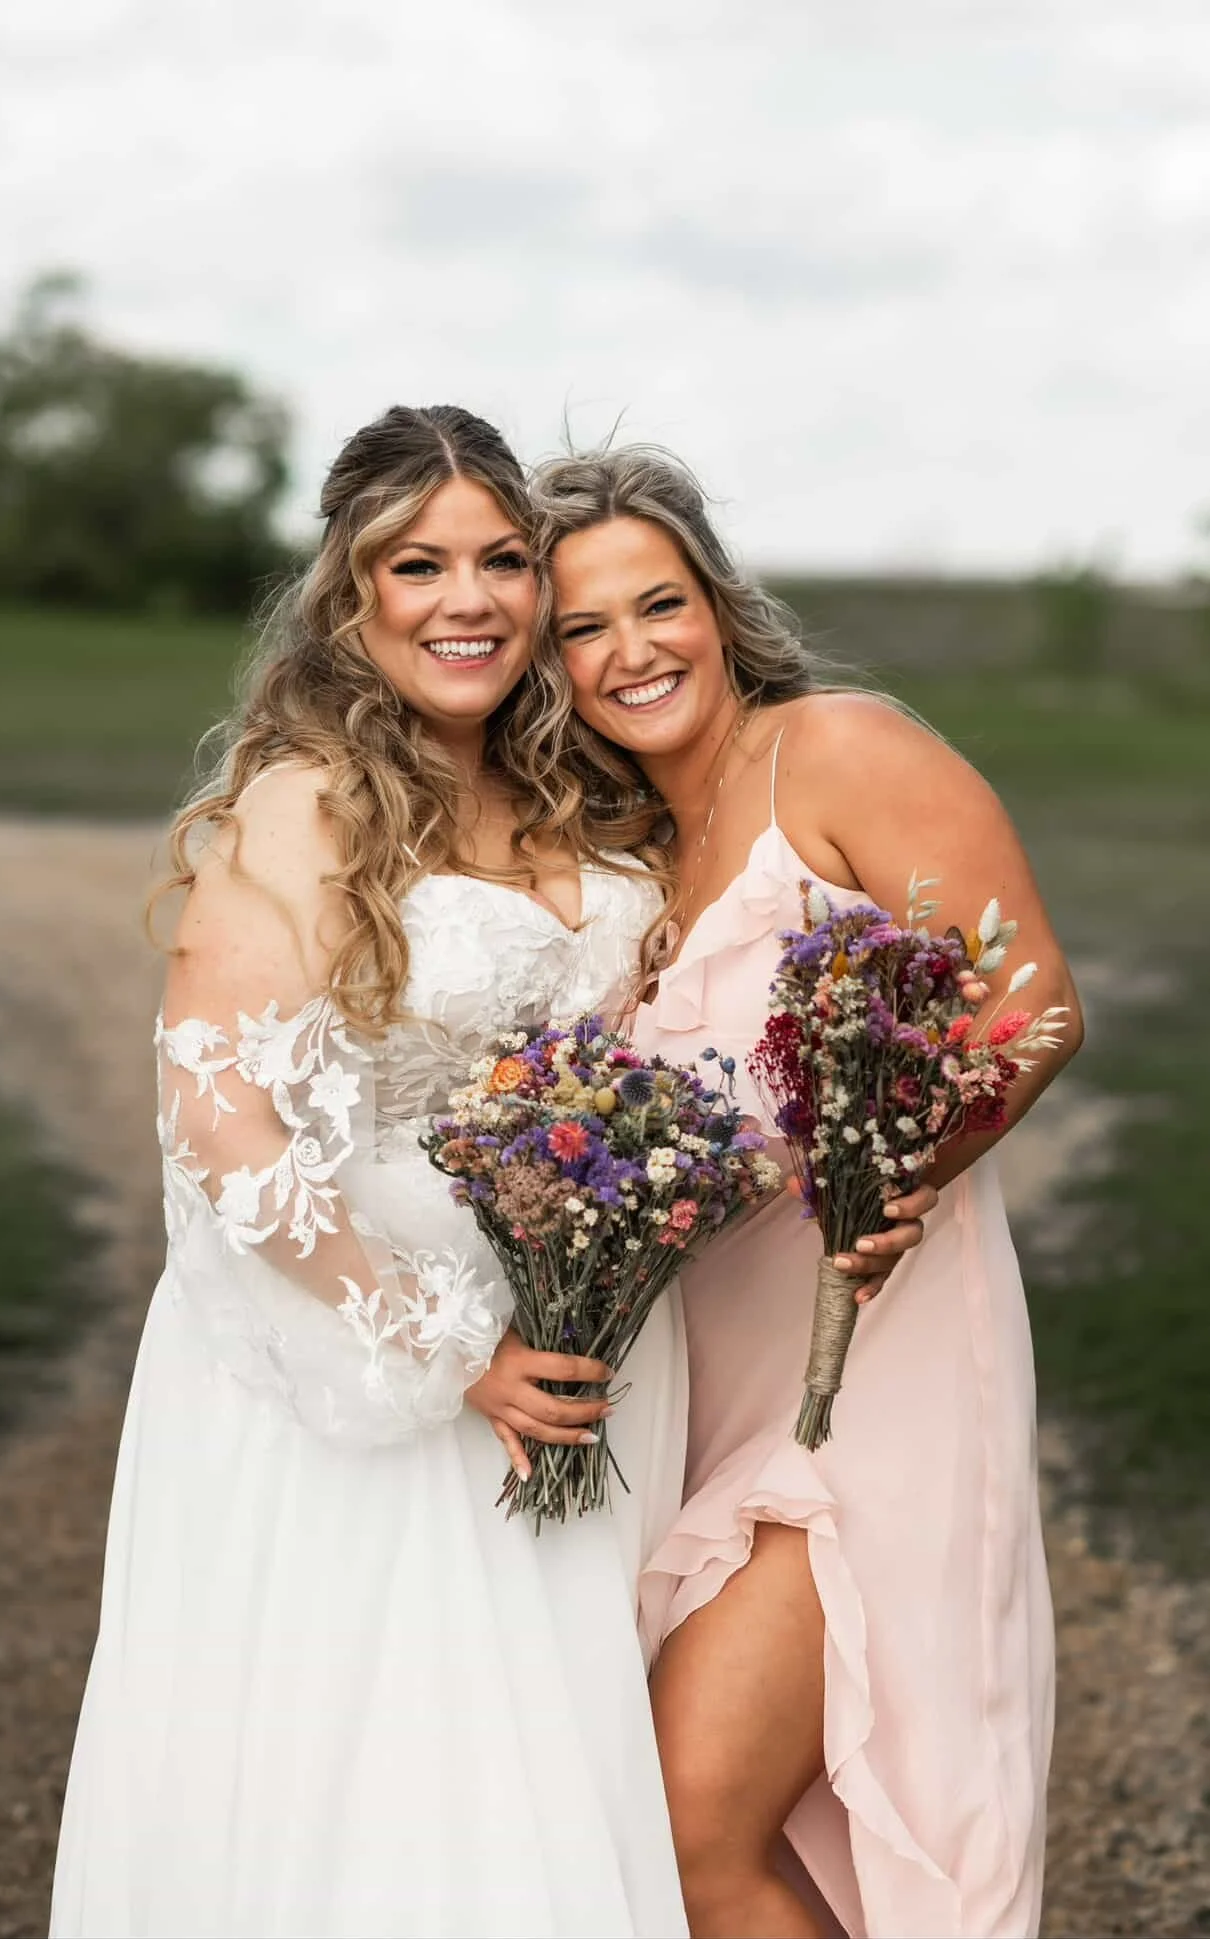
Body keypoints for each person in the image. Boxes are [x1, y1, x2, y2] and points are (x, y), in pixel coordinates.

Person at [50, 406, 692, 1939]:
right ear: (354, 593)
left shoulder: (579, 786)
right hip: (373, 1357)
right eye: (419, 564)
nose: (465, 599)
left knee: (559, 1754)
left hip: (578, 1326)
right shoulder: (310, 796)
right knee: (405, 1785)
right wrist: (449, 1348)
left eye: (502, 561)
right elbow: (218, 1116)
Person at [536, 445, 1084, 1939]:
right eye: (584, 628)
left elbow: (1024, 998)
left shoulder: (835, 750)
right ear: (552, 664)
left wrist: (903, 1171)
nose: (631, 649)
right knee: (724, 1817)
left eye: (657, 603)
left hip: (870, 1364)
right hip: (704, 1378)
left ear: (716, 600)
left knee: (688, 1810)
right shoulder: (624, 851)